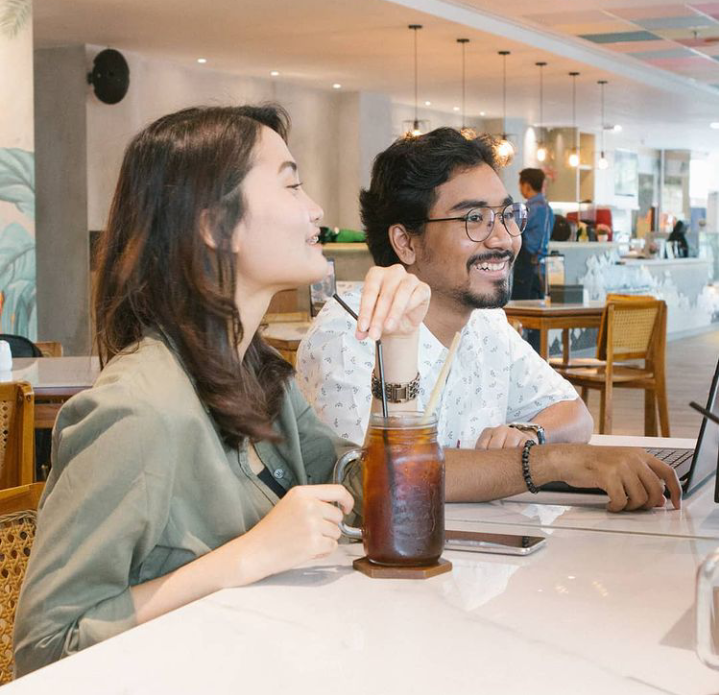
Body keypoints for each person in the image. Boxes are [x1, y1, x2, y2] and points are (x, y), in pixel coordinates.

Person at [13, 105, 431, 674]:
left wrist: (399, 342)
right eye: (292, 185)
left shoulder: (261, 377)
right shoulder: (136, 410)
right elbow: (44, 648)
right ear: (214, 225)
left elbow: (383, 506)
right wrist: (248, 556)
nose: (317, 210)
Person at [297, 128, 681, 511]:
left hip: (486, 552)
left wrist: (529, 433)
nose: (503, 238)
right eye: (475, 218)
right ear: (406, 242)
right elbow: (374, 476)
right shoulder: (353, 330)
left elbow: (573, 413)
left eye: (507, 215)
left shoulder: (485, 323)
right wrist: (551, 461)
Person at [512, 167, 554, 301]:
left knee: (521, 308)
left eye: (520, 185)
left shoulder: (528, 210)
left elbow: (510, 230)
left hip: (525, 267)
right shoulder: (548, 209)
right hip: (541, 269)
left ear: (527, 185)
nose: (520, 189)